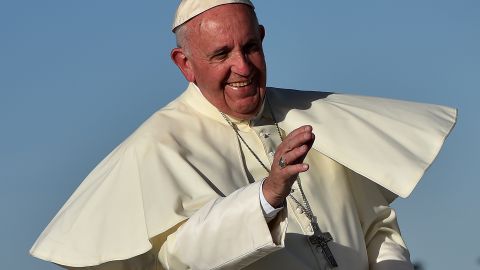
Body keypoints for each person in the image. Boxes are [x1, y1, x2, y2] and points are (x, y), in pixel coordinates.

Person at [30, 1, 457, 269]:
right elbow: (180, 259)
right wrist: (266, 197)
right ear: (185, 63)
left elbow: (377, 227)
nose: (243, 66)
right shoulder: (160, 146)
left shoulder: (313, 116)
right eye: (221, 54)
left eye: (250, 46)